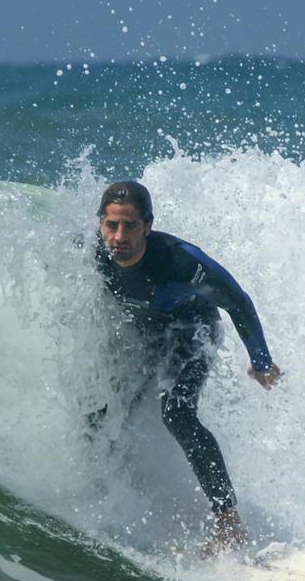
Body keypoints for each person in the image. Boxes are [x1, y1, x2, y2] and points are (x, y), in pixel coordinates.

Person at [91, 180, 282, 556]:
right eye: (111, 225)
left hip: (190, 333)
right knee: (101, 417)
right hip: (140, 337)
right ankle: (125, 502)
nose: (119, 236)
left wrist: (260, 361)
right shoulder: (91, 251)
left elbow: (237, 301)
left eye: (130, 226)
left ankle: (229, 524)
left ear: (148, 226)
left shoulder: (179, 261)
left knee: (177, 413)